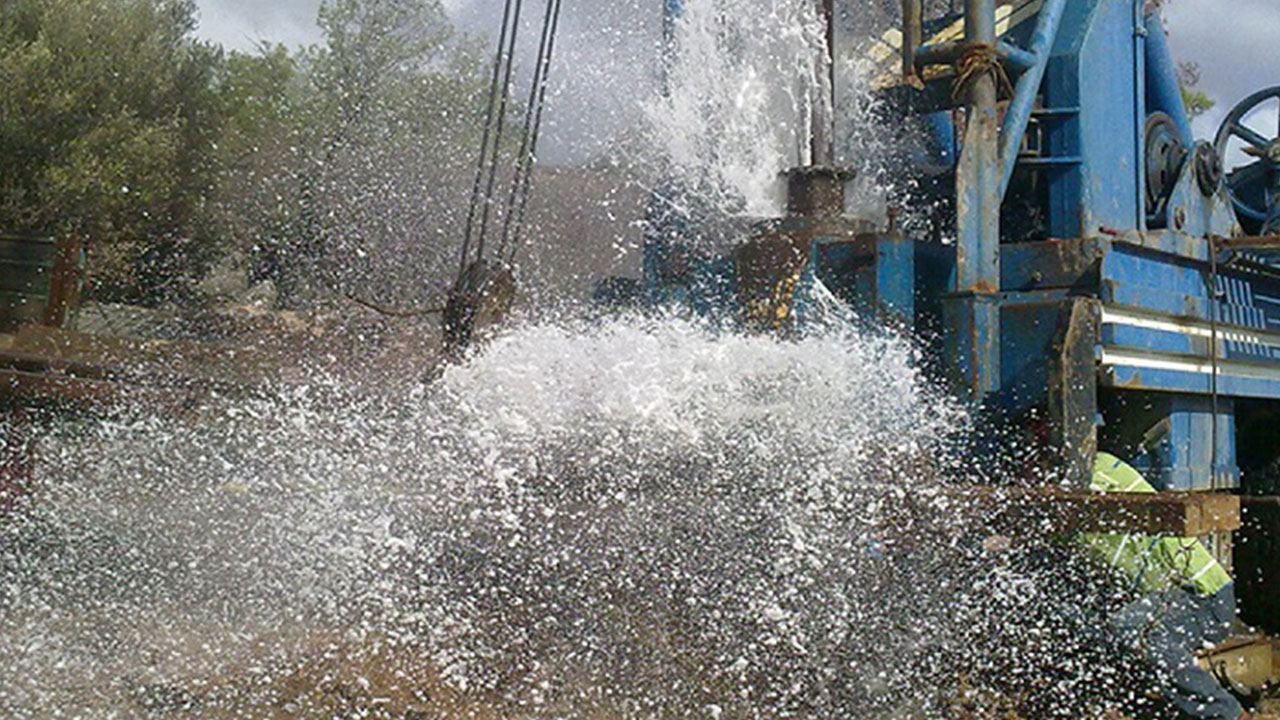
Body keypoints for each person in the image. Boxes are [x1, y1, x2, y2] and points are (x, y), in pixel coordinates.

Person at [1081, 452, 1247, 720]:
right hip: (1171, 597)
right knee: (1086, 621)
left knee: (1136, 629)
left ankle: (1227, 713)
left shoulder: (1098, 469)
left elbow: (1072, 493)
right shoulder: (1070, 505)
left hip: (1204, 596)